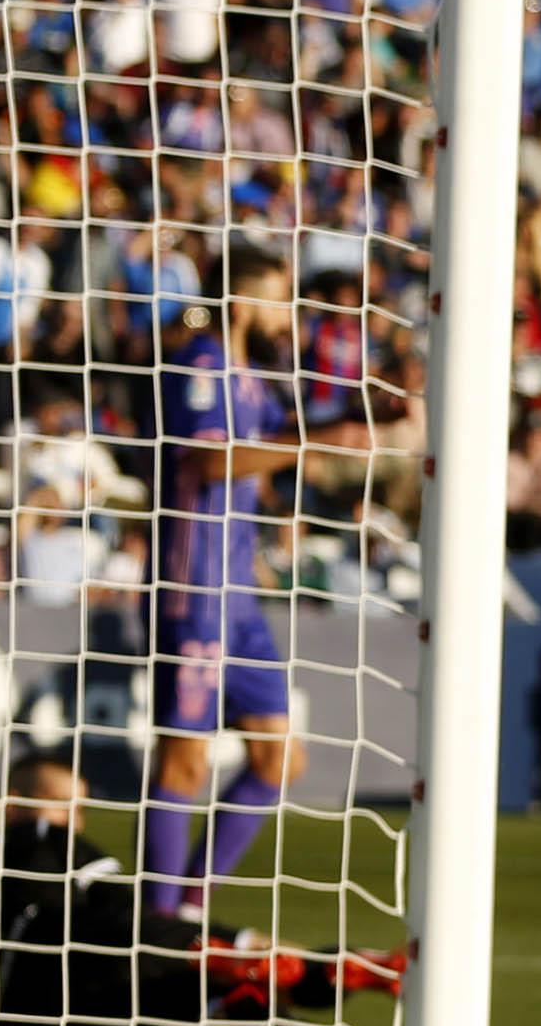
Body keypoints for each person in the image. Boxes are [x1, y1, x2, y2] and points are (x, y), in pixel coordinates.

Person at [144, 240, 403, 917]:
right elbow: (212, 462)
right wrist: (314, 443)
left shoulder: (249, 377)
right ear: (244, 298)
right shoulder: (201, 365)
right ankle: (154, 928)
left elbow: (275, 436)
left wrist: (346, 422)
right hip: (195, 584)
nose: (286, 313)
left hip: (239, 591)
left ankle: (190, 907)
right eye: (277, 296)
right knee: (183, 764)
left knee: (278, 758)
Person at [0, 760, 403, 1026]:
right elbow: (121, 916)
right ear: (26, 807)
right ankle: (270, 967)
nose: (77, 819)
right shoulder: (46, 837)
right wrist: (220, 939)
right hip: (100, 961)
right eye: (73, 807)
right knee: (156, 933)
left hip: (51, 1025)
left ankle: (250, 993)